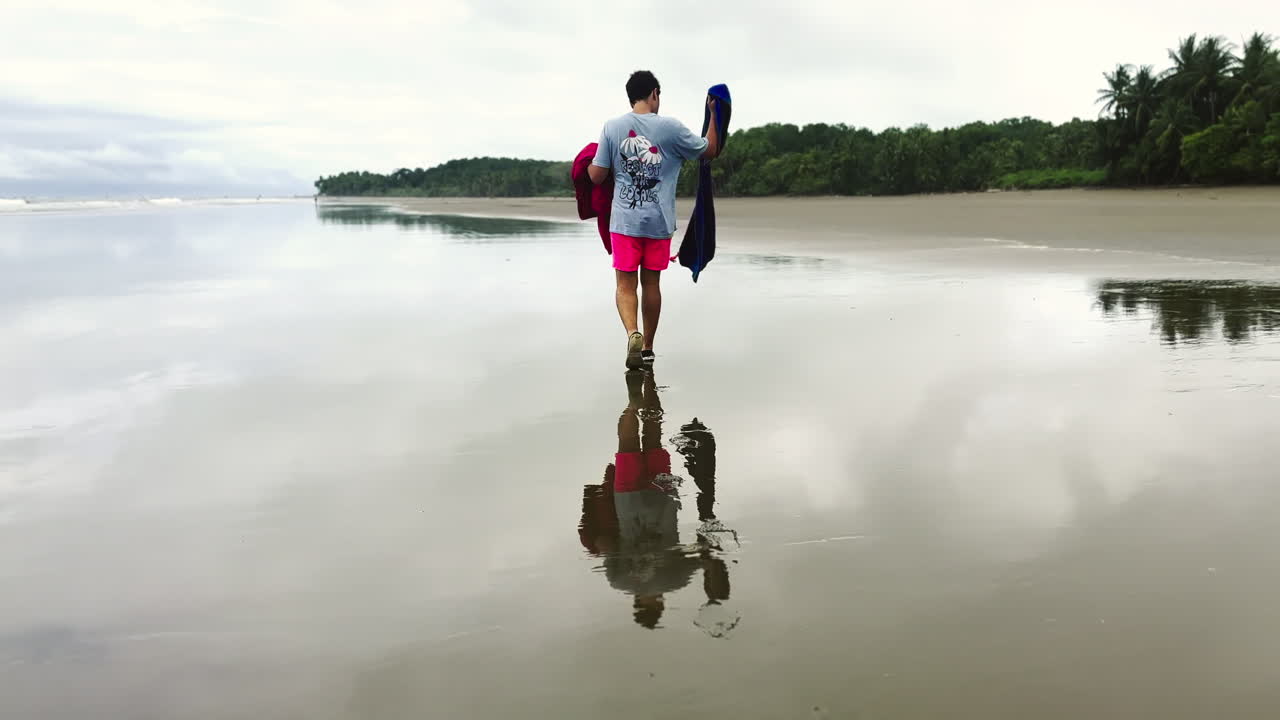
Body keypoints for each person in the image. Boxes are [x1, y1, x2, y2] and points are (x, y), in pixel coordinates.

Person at [577, 371, 737, 632]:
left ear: (660, 605)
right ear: (636, 604)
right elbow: (604, 542)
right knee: (627, 443)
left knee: (653, 436)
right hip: (628, 500)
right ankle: (632, 406)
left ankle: (647, 389)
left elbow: (705, 556)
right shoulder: (620, 582)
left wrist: (713, 576)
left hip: (662, 495)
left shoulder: (675, 580)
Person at [588, 71, 721, 370]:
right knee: (651, 284)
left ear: (630, 97)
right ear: (655, 94)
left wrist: (585, 168)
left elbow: (597, 175)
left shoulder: (612, 127)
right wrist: (714, 115)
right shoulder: (670, 127)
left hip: (624, 223)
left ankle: (631, 333)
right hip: (659, 224)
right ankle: (647, 347)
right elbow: (709, 149)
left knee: (625, 284)